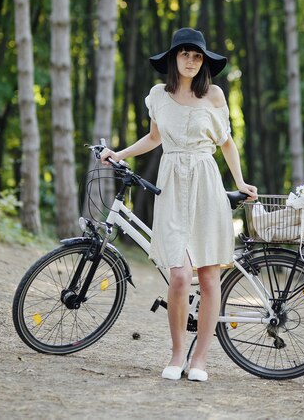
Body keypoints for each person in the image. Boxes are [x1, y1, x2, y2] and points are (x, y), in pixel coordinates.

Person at [101, 27, 257, 382]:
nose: (191, 60)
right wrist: (120, 153)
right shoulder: (158, 95)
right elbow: (154, 138)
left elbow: (227, 144)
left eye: (197, 55)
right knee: (179, 275)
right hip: (172, 186)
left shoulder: (214, 95)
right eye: (185, 54)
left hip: (206, 185)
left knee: (208, 276)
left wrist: (239, 182)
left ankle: (199, 359)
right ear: (173, 58)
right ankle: (175, 354)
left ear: (203, 63)